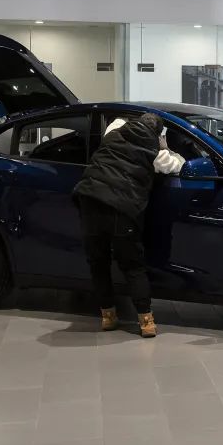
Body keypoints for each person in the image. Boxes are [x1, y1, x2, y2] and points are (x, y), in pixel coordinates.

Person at [73, 114, 185, 337]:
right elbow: (178, 165)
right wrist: (166, 147)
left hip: (90, 199)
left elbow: (118, 121)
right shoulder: (156, 152)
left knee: (98, 262)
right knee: (132, 265)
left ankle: (108, 317)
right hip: (121, 208)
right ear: (158, 134)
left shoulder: (114, 131)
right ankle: (146, 322)